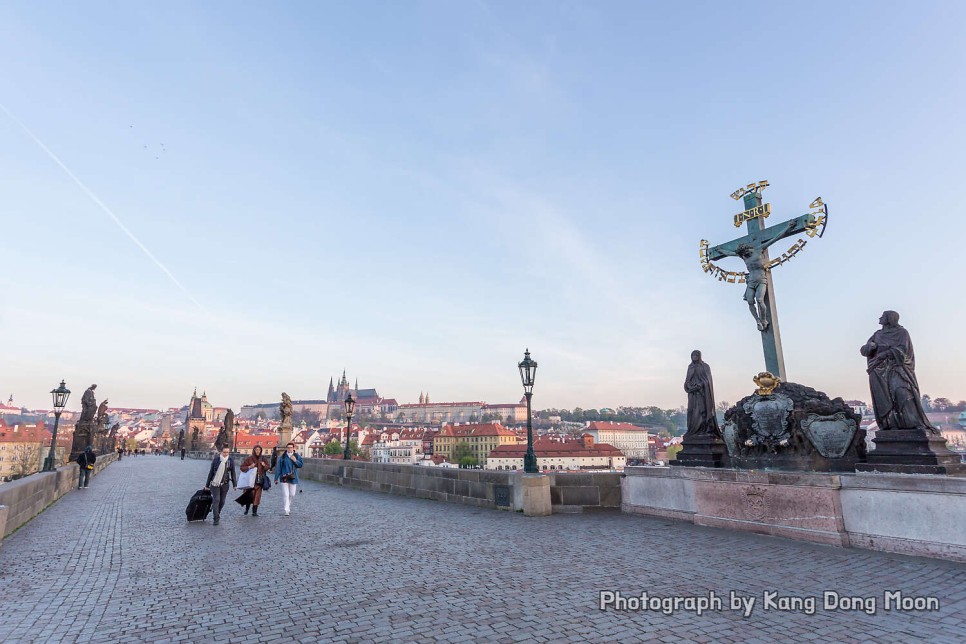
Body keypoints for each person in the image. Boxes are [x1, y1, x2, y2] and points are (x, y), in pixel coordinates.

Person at [860, 310, 938, 434]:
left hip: (898, 369)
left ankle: (914, 423)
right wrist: (870, 346)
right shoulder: (877, 334)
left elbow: (904, 350)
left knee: (903, 392)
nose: (880, 318)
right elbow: (864, 351)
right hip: (878, 371)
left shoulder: (902, 332)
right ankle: (891, 425)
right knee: (884, 399)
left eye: (883, 316)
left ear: (890, 318)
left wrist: (886, 353)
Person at [684, 350, 719, 436]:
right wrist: (690, 386)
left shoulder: (705, 366)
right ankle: (693, 430)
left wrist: (701, 385)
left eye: (696, 355)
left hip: (703, 394)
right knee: (692, 411)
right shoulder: (690, 367)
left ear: (699, 356)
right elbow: (687, 380)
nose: (694, 357)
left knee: (702, 411)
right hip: (693, 394)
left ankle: (704, 429)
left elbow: (708, 380)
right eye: (692, 356)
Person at [204, 446, 237, 525]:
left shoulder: (230, 461)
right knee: (217, 500)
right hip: (215, 483)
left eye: (227, 452)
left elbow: (233, 473)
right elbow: (211, 472)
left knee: (222, 501)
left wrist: (235, 485)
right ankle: (216, 518)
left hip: (225, 484)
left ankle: (217, 512)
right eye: (224, 452)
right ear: (221, 452)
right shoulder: (216, 460)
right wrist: (207, 485)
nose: (226, 454)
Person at [239, 445, 271, 516]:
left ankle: (254, 512)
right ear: (254, 450)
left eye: (259, 450)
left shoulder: (263, 458)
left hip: (259, 481)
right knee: (249, 496)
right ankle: (247, 509)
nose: (257, 451)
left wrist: (264, 465)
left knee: (257, 496)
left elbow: (268, 467)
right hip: (250, 481)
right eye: (256, 450)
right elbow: (242, 467)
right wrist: (249, 467)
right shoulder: (249, 459)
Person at [273, 442, 303, 516]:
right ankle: (286, 510)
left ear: (293, 448)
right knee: (286, 494)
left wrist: (295, 460)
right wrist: (276, 478)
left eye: (291, 447)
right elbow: (278, 468)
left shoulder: (296, 456)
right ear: (286, 448)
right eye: (288, 447)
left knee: (292, 494)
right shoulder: (283, 457)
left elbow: (301, 465)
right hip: (284, 477)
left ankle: (288, 505)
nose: (289, 449)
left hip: (293, 477)